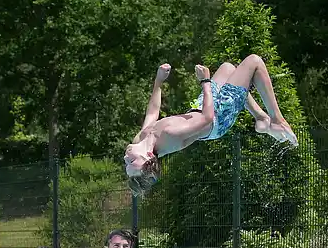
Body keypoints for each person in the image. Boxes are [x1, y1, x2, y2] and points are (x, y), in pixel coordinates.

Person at [124, 56, 298, 197]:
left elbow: (152, 113)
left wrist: (158, 82)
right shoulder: (171, 136)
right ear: (148, 157)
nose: (125, 158)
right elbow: (208, 118)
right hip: (218, 116)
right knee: (254, 62)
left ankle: (261, 118)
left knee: (229, 68)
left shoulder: (140, 138)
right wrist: (205, 82)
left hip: (201, 107)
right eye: (131, 161)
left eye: (126, 163)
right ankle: (277, 120)